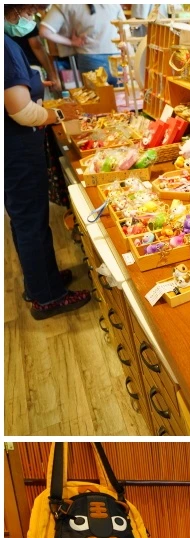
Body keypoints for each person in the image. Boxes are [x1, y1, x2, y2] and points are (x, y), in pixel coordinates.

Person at [6, 5, 91, 319]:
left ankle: (41, 281)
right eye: (35, 8)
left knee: (25, 218)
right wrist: (57, 114)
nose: (35, 13)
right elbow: (21, 111)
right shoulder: (5, 47)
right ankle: (48, 297)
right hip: (16, 146)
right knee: (30, 220)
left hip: (14, 147)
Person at [39, 4, 123, 87]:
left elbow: (44, 31)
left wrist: (71, 42)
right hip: (118, 56)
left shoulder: (64, 4)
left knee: (95, 98)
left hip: (90, 58)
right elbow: (125, 29)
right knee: (123, 96)